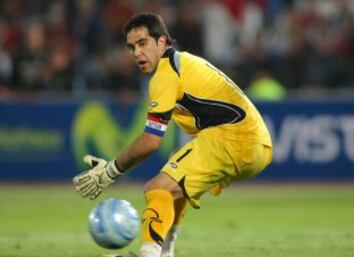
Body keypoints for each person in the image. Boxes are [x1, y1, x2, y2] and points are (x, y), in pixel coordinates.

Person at [73, 13, 273, 257]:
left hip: (233, 137)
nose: (136, 53)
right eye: (131, 47)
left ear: (161, 42)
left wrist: (110, 171)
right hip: (257, 144)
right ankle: (166, 249)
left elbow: (150, 142)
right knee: (175, 170)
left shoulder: (166, 74)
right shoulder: (182, 63)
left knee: (157, 188)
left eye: (143, 43)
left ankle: (150, 254)